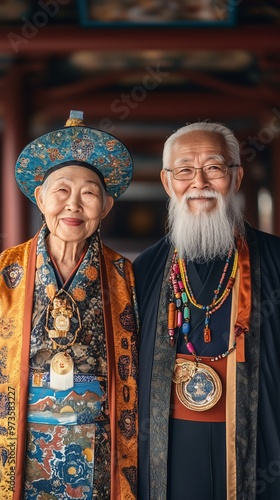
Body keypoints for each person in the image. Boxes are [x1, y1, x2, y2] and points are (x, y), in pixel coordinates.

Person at [133, 121, 280, 500]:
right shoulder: (142, 270)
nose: (199, 182)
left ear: (236, 176)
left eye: (213, 167)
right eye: (184, 170)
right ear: (168, 183)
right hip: (170, 447)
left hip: (260, 441)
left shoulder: (277, 259)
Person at [0, 110, 138, 500]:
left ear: (107, 207)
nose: (73, 205)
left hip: (100, 439)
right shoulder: (7, 270)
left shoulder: (124, 275)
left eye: (90, 193)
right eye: (61, 191)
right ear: (40, 197)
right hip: (18, 433)